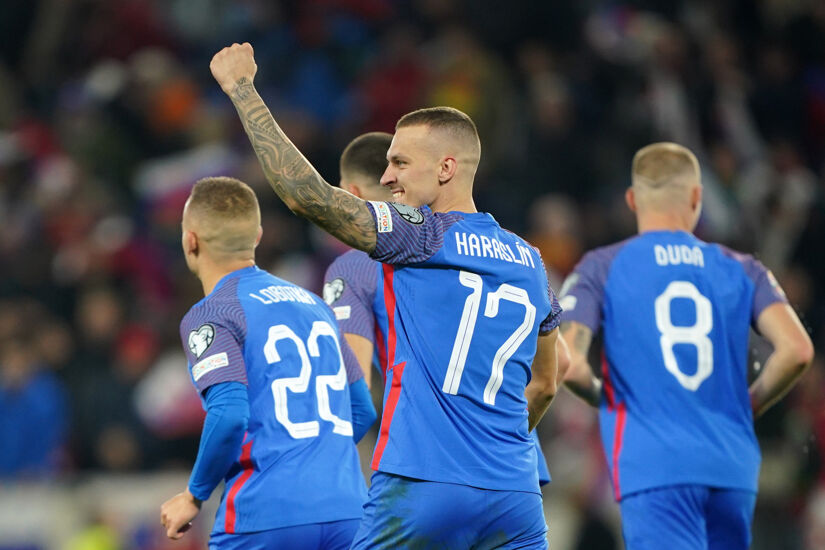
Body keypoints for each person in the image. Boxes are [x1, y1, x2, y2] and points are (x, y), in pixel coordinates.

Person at [211, 43, 563, 548]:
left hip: (423, 484)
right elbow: (548, 382)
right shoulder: (531, 260)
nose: (386, 176)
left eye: (399, 162)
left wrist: (242, 90)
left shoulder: (419, 234)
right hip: (515, 494)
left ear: (445, 168)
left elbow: (305, 196)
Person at [559, 142, 814, 550]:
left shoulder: (603, 266)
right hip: (731, 465)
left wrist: (606, 398)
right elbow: (798, 350)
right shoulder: (743, 268)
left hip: (655, 464)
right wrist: (751, 403)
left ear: (632, 199)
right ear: (697, 198)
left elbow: (567, 362)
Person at [323, 130, 556, 487]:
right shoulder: (515, 256)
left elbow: (354, 390)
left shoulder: (356, 266)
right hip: (514, 461)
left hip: (430, 463)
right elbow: (557, 369)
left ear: (351, 194)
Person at [159, 177, 375, 549]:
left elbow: (228, 414)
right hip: (348, 511)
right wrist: (314, 460)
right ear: (257, 236)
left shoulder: (213, 312)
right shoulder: (316, 306)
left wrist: (194, 496)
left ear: (190, 240)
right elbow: (363, 410)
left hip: (266, 514)